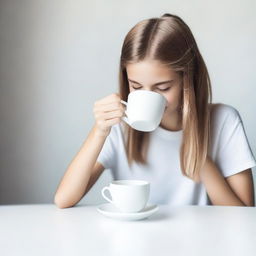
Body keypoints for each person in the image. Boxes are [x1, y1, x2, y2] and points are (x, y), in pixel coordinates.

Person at [54, 13, 256, 208]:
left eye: (163, 88)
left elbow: (244, 214)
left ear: (189, 80)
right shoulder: (119, 125)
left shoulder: (223, 121)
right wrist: (99, 131)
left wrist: (199, 155)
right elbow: (64, 200)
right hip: (133, 239)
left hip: (198, 240)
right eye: (136, 86)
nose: (149, 96)